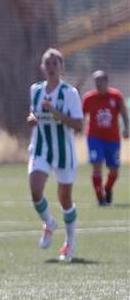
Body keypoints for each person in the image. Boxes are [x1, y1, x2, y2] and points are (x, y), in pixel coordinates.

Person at [26, 48, 83, 262]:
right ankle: (49, 223)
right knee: (35, 189)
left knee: (65, 198)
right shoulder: (36, 90)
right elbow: (35, 113)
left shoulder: (69, 93)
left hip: (63, 151)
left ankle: (70, 243)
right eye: (47, 63)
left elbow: (78, 125)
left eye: (54, 64)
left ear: (61, 67)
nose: (50, 68)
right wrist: (32, 118)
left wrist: (55, 112)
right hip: (41, 147)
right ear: (42, 67)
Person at [82, 70, 128, 205]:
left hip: (113, 139)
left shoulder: (116, 96)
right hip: (94, 138)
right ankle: (100, 197)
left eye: (101, 81)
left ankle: (107, 188)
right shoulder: (88, 98)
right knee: (97, 166)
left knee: (114, 171)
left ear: (107, 82)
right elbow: (81, 116)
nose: (98, 84)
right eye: (96, 81)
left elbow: (124, 113)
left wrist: (126, 128)